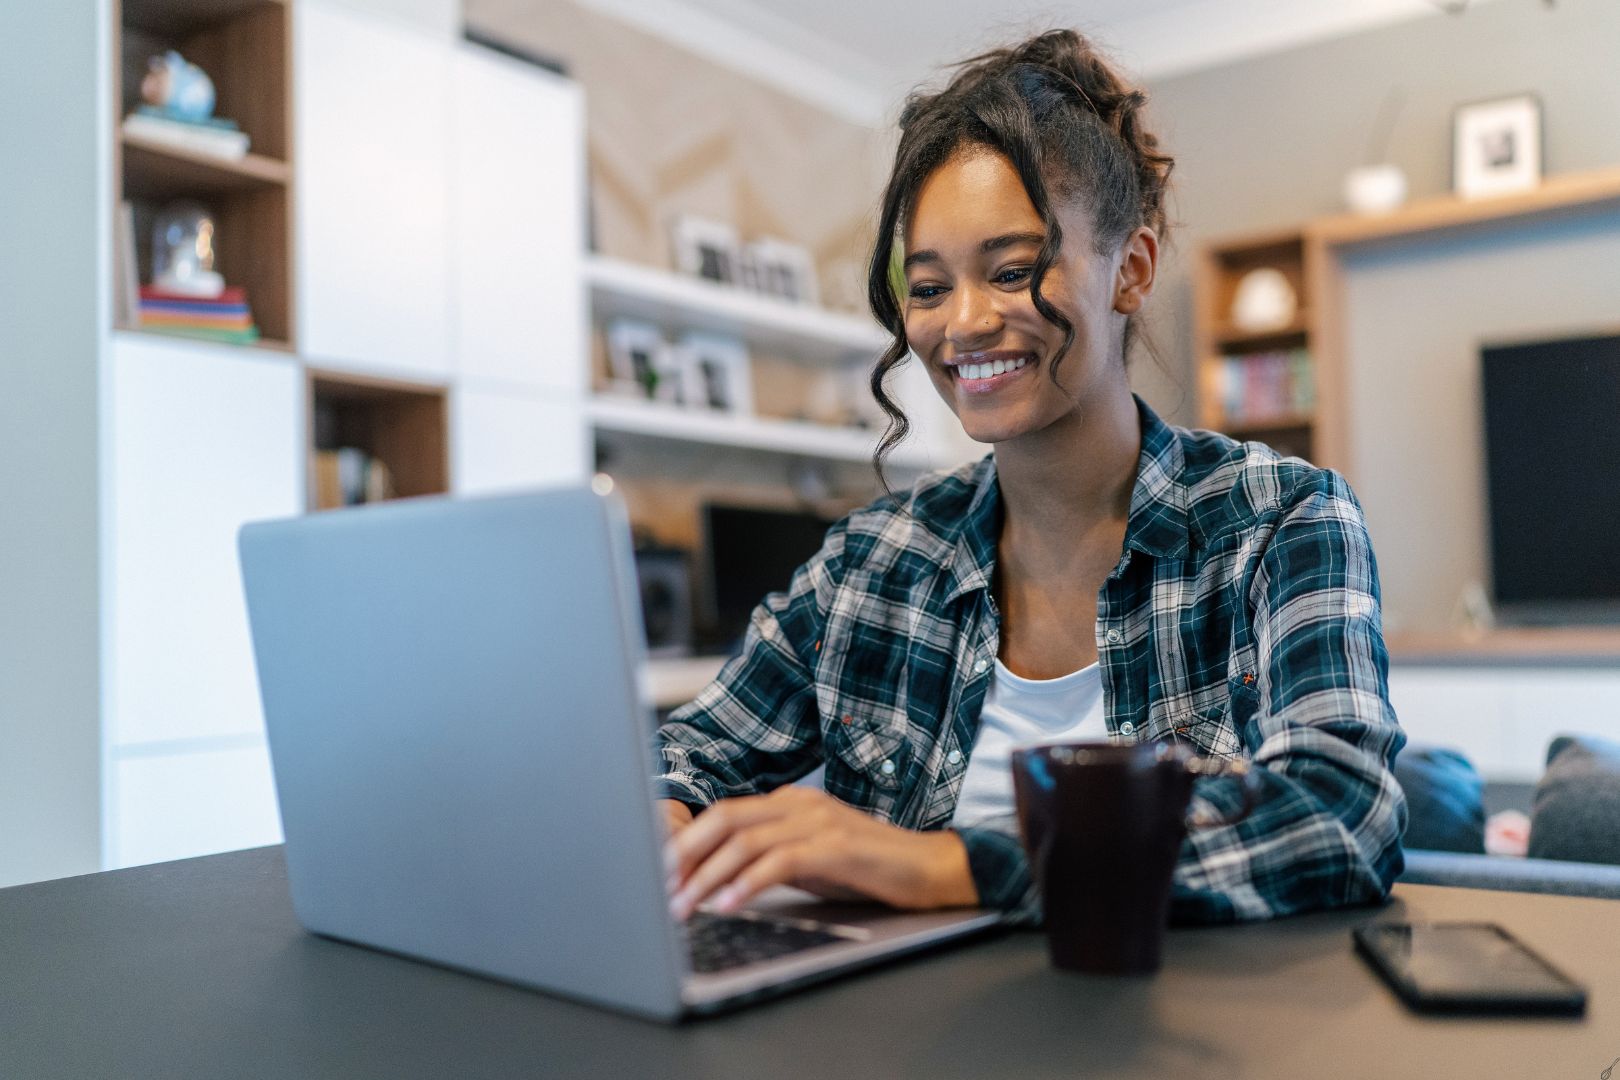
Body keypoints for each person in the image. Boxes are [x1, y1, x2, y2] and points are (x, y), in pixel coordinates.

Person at [656, 27, 1407, 926]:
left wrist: (944, 868)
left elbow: (1341, 809)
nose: (963, 323)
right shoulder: (869, 565)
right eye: (928, 289)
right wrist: (665, 822)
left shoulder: (1280, 522)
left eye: (1012, 271)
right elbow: (692, 751)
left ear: (1130, 270)